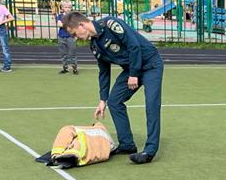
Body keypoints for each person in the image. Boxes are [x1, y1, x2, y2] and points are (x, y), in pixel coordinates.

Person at [63, 12, 164, 164]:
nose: (76, 38)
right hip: (131, 69)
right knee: (114, 101)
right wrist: (102, 99)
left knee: (151, 105)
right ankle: (127, 144)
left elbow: (134, 46)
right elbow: (104, 71)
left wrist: (134, 74)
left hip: (150, 64)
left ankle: (149, 151)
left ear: (81, 25)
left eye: (75, 33)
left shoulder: (110, 24)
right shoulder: (94, 45)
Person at [56, 0, 79, 75]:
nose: (67, 9)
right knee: (63, 54)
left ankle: (74, 68)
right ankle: (65, 68)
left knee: (72, 54)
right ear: (62, 8)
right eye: (66, 7)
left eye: (69, 7)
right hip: (61, 37)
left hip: (71, 37)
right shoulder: (60, 16)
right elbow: (59, 24)